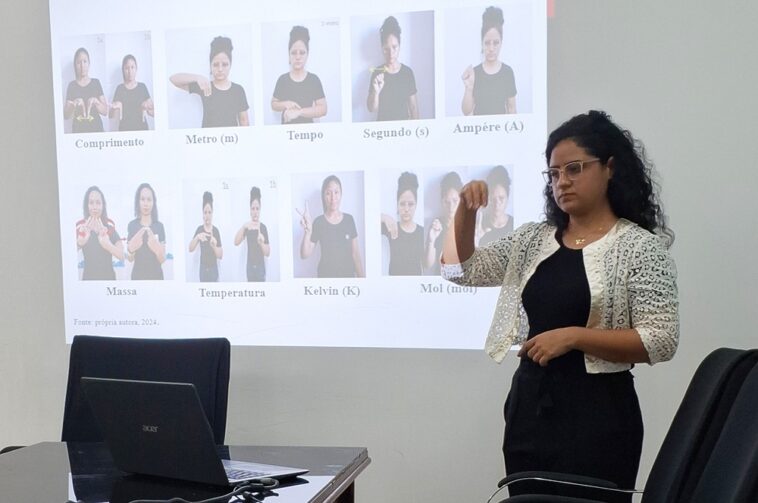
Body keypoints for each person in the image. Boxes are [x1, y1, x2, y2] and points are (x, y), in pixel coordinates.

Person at [441, 111, 678, 502]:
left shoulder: (638, 247)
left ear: (610, 169)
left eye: (574, 168)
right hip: (530, 411)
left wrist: (574, 337)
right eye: (553, 174)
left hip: (599, 415)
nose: (562, 181)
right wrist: (466, 211)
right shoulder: (533, 240)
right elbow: (460, 270)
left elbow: (662, 339)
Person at [170, 36, 250, 128]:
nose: (220, 69)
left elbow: (244, 121)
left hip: (230, 140)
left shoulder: (238, 90)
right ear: (210, 65)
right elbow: (174, 79)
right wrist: (197, 77)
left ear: (230, 65)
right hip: (207, 140)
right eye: (216, 65)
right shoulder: (205, 86)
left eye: (224, 64)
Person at [297, 175, 365, 278]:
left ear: (341, 194)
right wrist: (307, 232)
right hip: (325, 281)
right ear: (324, 196)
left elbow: (355, 255)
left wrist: (363, 282)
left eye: (336, 192)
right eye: (328, 193)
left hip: (348, 281)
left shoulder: (349, 220)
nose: (333, 198)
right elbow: (304, 255)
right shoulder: (318, 222)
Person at [461, 6, 517, 116]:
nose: (491, 48)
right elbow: (466, 111)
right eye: (487, 43)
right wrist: (468, 88)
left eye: (495, 43)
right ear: (482, 43)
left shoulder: (507, 72)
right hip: (478, 132)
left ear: (501, 42)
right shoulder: (475, 72)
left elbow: (512, 109)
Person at [366, 16, 419, 121]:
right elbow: (371, 109)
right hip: (382, 132)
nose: (391, 53)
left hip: (403, 130)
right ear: (382, 48)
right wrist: (376, 92)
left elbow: (413, 108)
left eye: (394, 47)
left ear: (400, 46)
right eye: (386, 49)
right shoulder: (377, 73)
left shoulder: (407, 73)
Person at [271, 26, 327, 124]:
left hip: (308, 134)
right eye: (293, 53)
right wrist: (286, 104)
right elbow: (273, 104)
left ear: (307, 54)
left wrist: (299, 112)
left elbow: (323, 109)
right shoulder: (282, 80)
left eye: (302, 53)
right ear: (289, 55)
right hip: (286, 133)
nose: (298, 57)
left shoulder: (313, 80)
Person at [381, 172, 425, 276]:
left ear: (416, 205)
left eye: (410, 204)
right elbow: (370, 219)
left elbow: (425, 264)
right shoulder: (391, 227)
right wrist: (385, 217)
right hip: (394, 288)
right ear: (397, 204)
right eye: (402, 204)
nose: (406, 209)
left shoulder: (422, 232)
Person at [76, 186, 124, 280]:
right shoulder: (81, 229)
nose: (94, 207)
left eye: (98, 203)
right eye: (91, 203)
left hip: (109, 284)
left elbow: (122, 256)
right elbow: (66, 255)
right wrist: (80, 243)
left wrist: (108, 245)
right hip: (88, 283)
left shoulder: (109, 228)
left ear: (103, 206)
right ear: (87, 206)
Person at [424, 171, 463, 275]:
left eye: (455, 201)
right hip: (440, 283)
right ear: (442, 201)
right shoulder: (436, 225)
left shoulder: (468, 225)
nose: (451, 207)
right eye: (447, 202)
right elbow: (427, 265)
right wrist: (431, 241)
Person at [127, 183, 166, 280]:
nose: (146, 203)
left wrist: (156, 248)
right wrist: (131, 249)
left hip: (157, 279)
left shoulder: (159, 226)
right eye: (142, 199)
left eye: (149, 199)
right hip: (137, 278)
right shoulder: (132, 225)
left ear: (153, 202)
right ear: (138, 202)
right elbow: (130, 259)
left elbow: (162, 259)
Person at [64, 48, 107, 133]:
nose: (82, 66)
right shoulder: (71, 85)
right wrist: (74, 104)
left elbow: (105, 111)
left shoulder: (96, 82)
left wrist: (96, 102)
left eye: (85, 61)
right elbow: (66, 115)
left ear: (89, 63)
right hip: (78, 132)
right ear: (75, 66)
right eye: (78, 62)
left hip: (97, 130)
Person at [234, 186, 270, 282]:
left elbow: (267, 253)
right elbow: (236, 242)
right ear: (250, 210)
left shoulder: (263, 227)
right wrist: (244, 227)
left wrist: (261, 243)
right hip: (249, 268)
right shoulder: (247, 227)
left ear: (260, 209)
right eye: (253, 208)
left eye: (257, 209)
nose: (255, 212)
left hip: (260, 268)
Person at [110, 54, 153, 131]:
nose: (130, 71)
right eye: (127, 68)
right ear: (123, 70)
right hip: (125, 130)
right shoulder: (119, 88)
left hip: (142, 129)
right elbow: (111, 116)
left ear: (136, 69)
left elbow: (153, 112)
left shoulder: (142, 87)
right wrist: (114, 108)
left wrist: (148, 107)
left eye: (132, 67)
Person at [189, 191, 222, 282]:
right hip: (203, 270)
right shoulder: (199, 229)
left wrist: (214, 246)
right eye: (205, 212)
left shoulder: (215, 231)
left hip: (213, 269)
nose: (207, 215)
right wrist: (197, 237)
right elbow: (190, 249)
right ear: (202, 213)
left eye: (209, 212)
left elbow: (220, 255)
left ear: (212, 213)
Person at [478, 165, 513, 247]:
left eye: (501, 198)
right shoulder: (479, 226)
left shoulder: (515, 224)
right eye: (492, 199)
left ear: (507, 198)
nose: (497, 204)